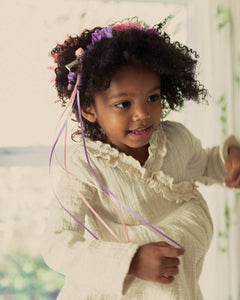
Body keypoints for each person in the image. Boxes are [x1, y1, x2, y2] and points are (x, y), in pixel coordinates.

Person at [42, 19, 240, 299]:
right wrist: (131, 261)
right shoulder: (86, 167)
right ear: (88, 109)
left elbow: (206, 164)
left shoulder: (175, 140)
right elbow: (57, 244)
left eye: (152, 98)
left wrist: (230, 159)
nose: (142, 114)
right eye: (123, 104)